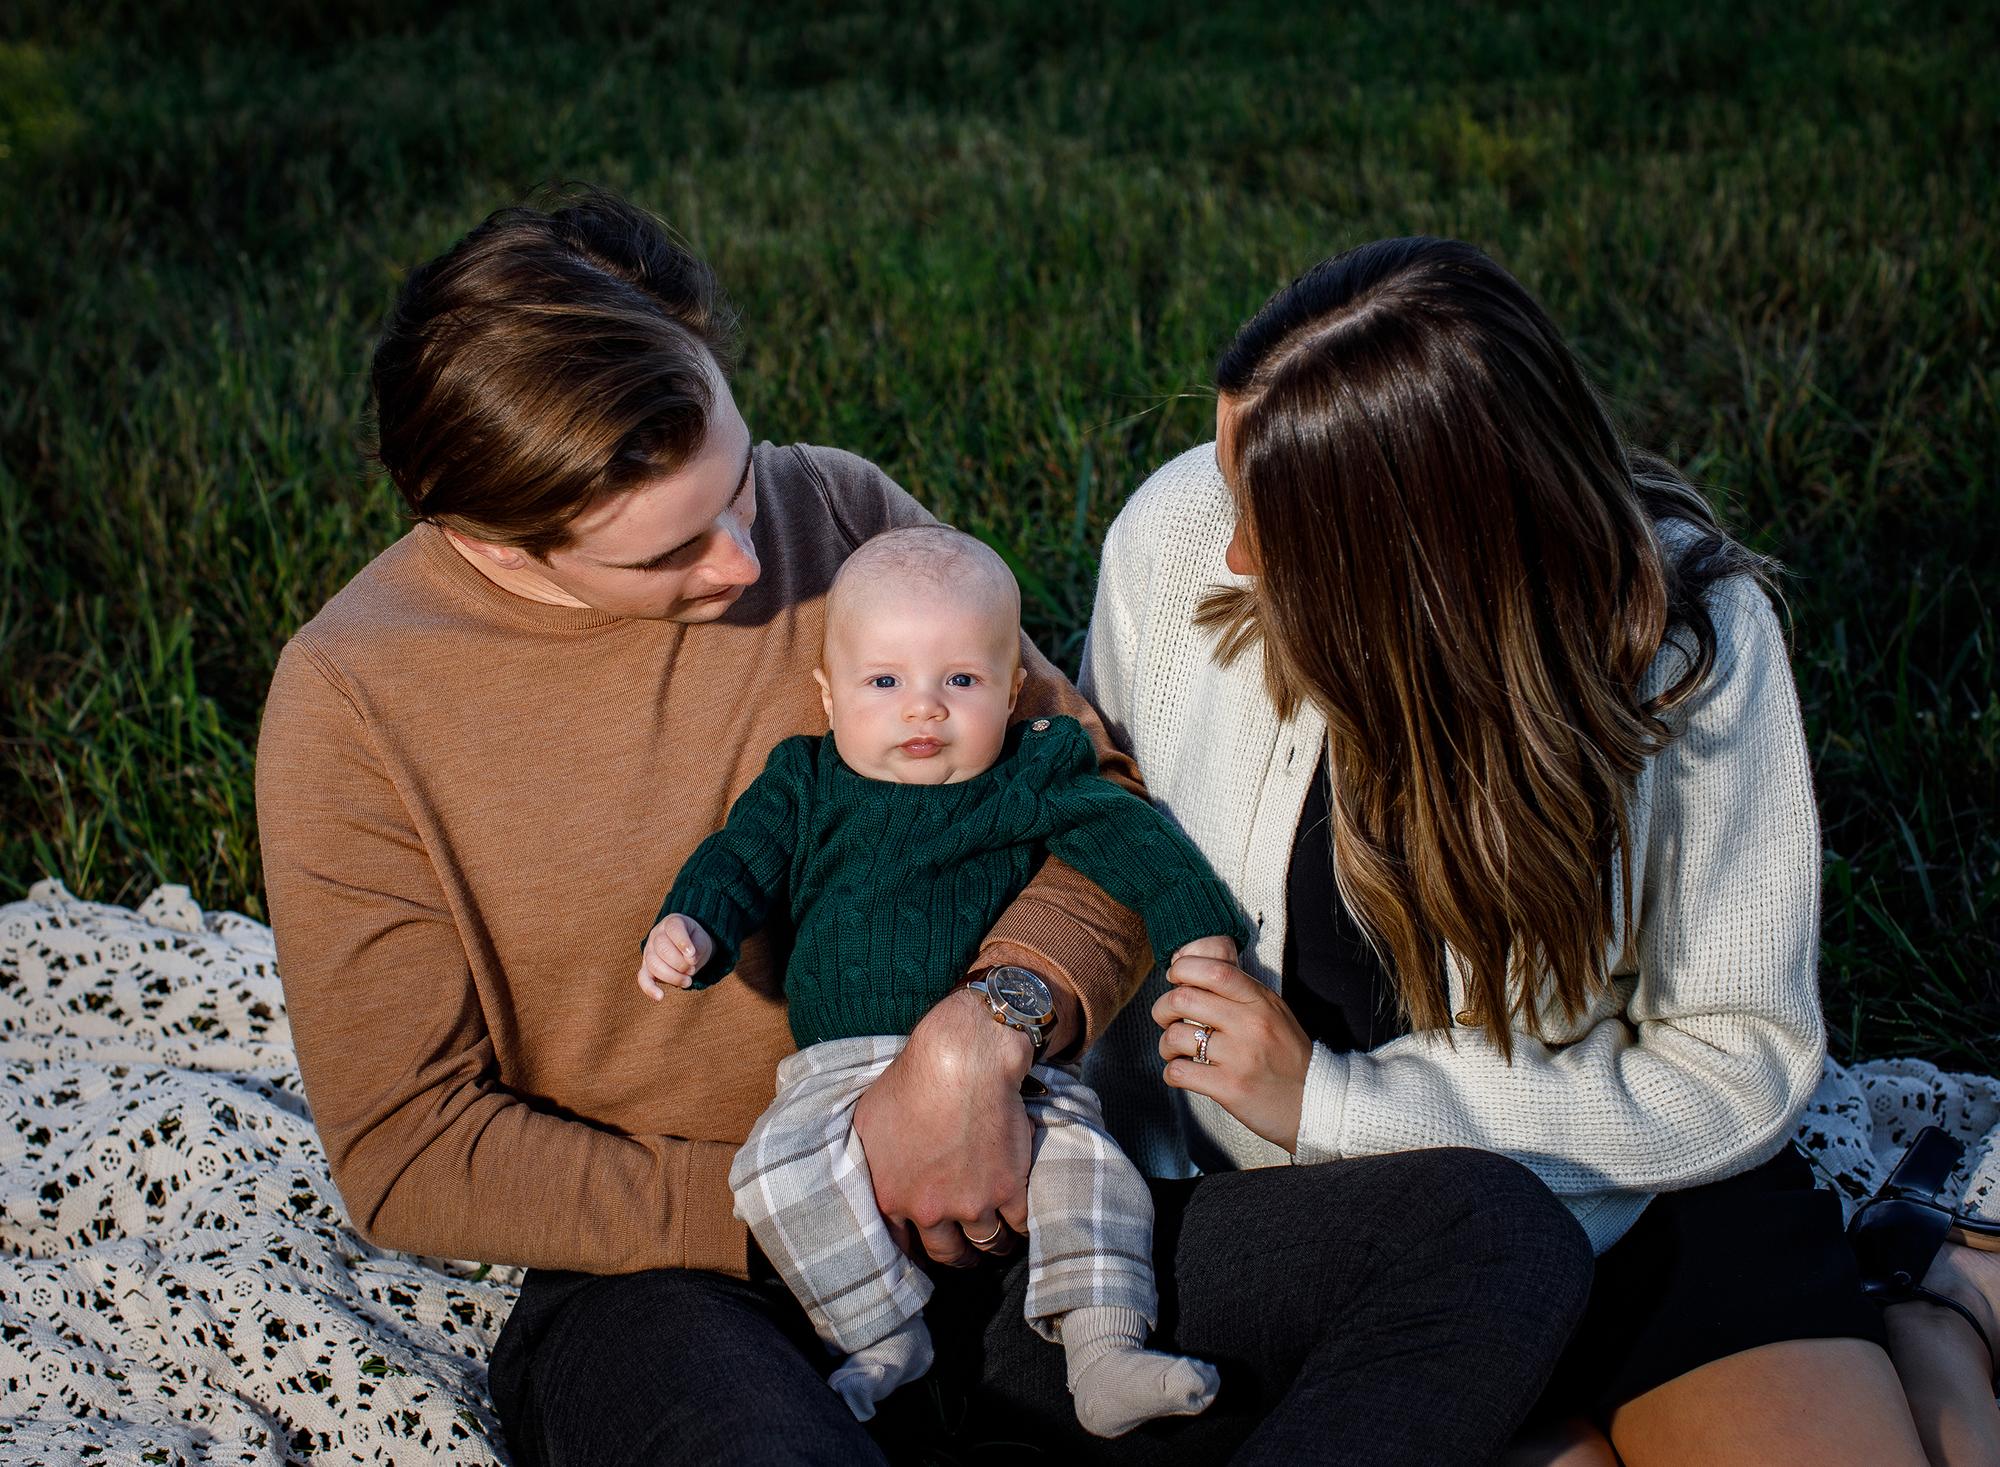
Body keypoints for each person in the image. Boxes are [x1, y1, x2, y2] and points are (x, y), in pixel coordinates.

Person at [255, 190, 1593, 1467]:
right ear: (491, 540)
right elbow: (413, 1147)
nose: (741, 557)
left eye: (733, 479)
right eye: (666, 555)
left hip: (1026, 1216)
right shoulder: (355, 700)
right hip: (689, 1279)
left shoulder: (832, 507)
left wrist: (987, 1027)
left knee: (1492, 1235)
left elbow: (1095, 795)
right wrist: (824, 1186)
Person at [1078, 236, 1960, 1466]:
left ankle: (1934, 1303)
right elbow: (1096, 855)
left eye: (1264, 512)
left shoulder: (1685, 643)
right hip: (1335, 1238)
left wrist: (1334, 1101)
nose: (1225, 548)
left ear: (1418, 544)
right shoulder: (1173, 541)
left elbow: (1732, 1060)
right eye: (1230, 477)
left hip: (1620, 1184)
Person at [640, 524, 1244, 1436]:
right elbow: (740, 860)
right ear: (829, 697)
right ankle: (883, 1335)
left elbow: (1133, 840)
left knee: (1088, 1168)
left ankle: (1104, 1349)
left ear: (1010, 691)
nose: (923, 710)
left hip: (1014, 1074)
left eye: (958, 682)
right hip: (834, 1075)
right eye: (885, 683)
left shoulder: (1027, 772)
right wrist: (691, 925)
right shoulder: (804, 782)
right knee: (770, 1172)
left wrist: (1198, 931)